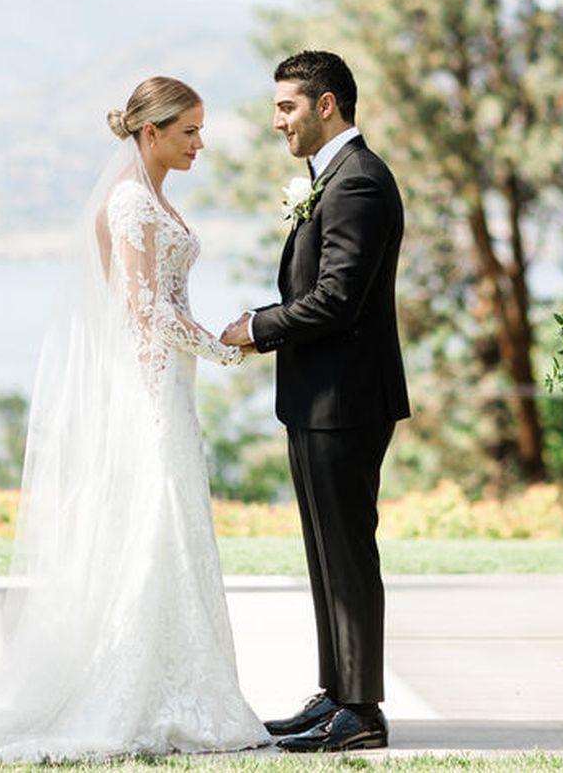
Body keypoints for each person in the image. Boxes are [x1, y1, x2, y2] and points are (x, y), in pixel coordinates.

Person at [0, 77, 271, 760]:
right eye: (189, 131)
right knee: (157, 525)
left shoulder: (150, 198)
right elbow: (145, 311)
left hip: (165, 385)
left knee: (170, 529)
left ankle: (176, 680)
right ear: (151, 132)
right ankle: (140, 687)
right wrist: (226, 346)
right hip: (150, 390)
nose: (200, 142)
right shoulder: (129, 204)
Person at [221, 50, 409, 753]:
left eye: (287, 107)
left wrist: (258, 326)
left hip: (346, 399)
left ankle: (361, 711)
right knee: (325, 552)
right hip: (316, 398)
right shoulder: (332, 177)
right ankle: (336, 693)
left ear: (326, 103)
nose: (278, 122)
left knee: (348, 552)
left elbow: (336, 299)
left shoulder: (357, 181)